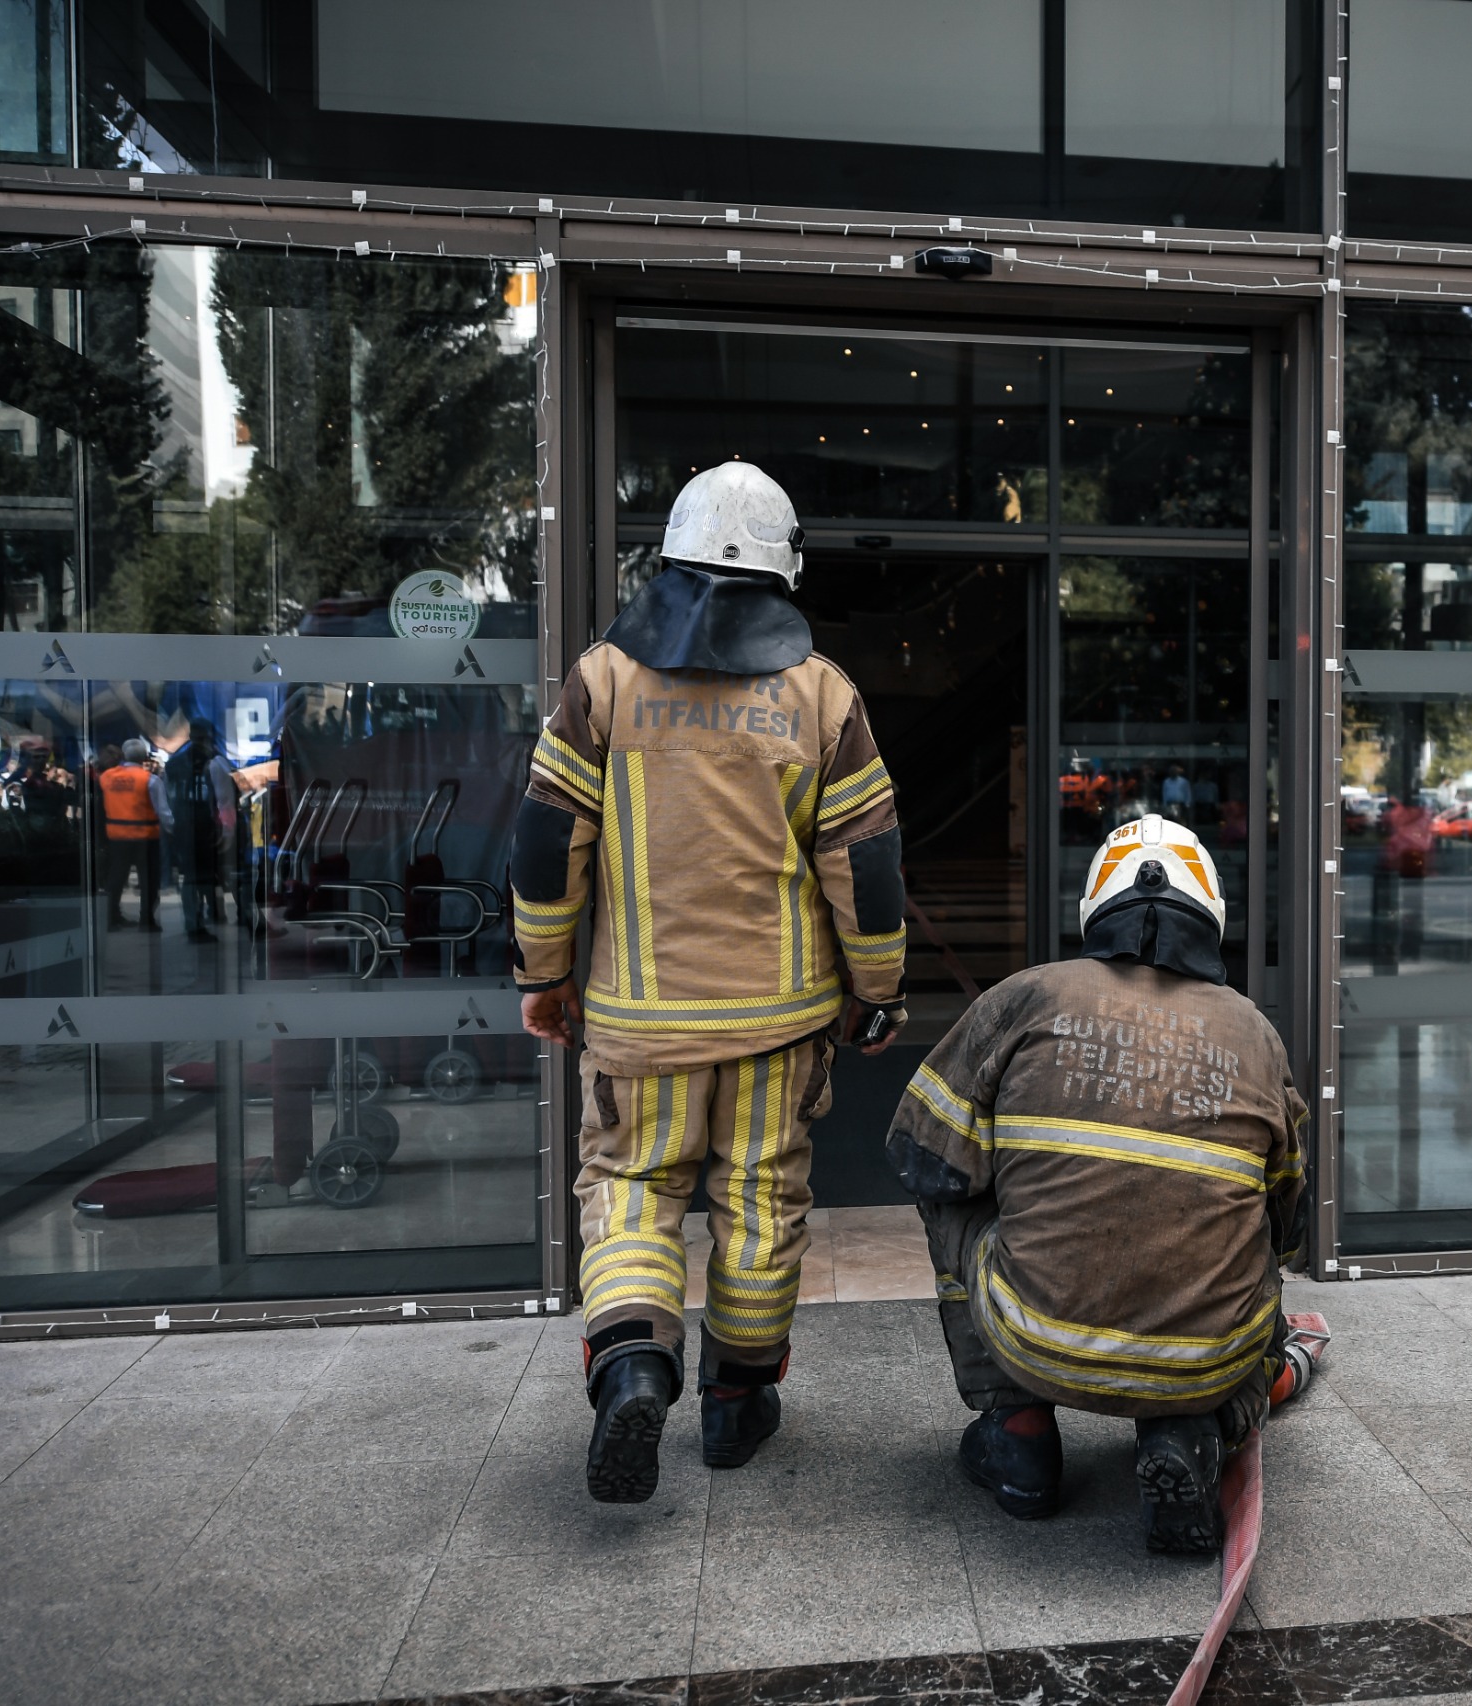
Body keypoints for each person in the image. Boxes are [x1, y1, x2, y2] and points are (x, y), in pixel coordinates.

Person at [511, 460, 909, 1505]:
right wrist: (877, 990)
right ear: (786, 568)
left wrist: (543, 973)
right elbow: (866, 866)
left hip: (639, 1026)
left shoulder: (603, 680)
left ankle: (634, 1367)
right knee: (760, 1201)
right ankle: (736, 1402)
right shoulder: (822, 693)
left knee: (633, 1191)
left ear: (670, 558)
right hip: (781, 1027)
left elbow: (547, 841)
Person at [886, 813, 1312, 1554]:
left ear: (1095, 905)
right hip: (1206, 1361)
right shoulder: (1255, 1032)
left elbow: (920, 1154)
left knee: (949, 1194)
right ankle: (1197, 1430)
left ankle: (1017, 1431)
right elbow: (1290, 1224)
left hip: (1032, 1338)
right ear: (1210, 913)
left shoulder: (1026, 995)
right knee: (1258, 1264)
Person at [160, 720, 237, 942]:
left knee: (190, 877)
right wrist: (228, 831)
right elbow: (224, 800)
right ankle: (203, 919)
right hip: (205, 826)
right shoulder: (214, 761)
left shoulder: (174, 763)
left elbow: (167, 798)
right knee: (205, 875)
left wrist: (172, 826)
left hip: (182, 825)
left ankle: (194, 921)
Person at [99, 737, 164, 931]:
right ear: (144, 757)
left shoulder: (107, 777)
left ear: (124, 756)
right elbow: (163, 811)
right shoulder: (150, 780)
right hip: (146, 837)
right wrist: (170, 830)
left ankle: (111, 917)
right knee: (148, 879)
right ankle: (146, 919)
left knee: (116, 878)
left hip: (117, 836)